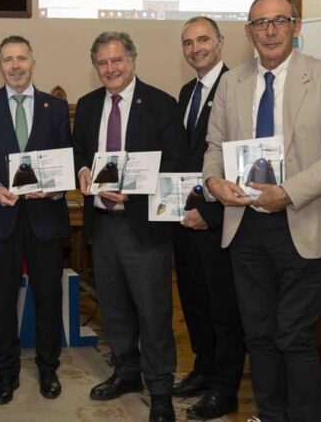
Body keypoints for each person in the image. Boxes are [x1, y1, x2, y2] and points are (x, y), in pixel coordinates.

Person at [203, 0, 321, 422]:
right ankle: (270, 417)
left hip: (303, 221)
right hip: (245, 226)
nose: (270, 31)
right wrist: (214, 181)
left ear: (296, 26)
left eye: (279, 21)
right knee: (259, 335)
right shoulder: (231, 82)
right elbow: (214, 146)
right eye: (260, 23)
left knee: (293, 335)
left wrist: (288, 192)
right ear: (248, 32)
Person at [72, 32, 183, 422]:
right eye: (102, 63)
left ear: (133, 60)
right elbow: (79, 154)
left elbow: (175, 162)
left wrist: (135, 193)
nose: (110, 69)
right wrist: (84, 171)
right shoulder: (86, 106)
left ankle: (160, 388)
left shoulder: (160, 104)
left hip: (143, 225)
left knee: (153, 311)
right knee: (114, 308)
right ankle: (126, 371)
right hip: (102, 225)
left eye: (117, 60)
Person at [0, 35, 72, 405]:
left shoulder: (56, 108)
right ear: (0, 66)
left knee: (47, 296)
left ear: (33, 63)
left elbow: (66, 160)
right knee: (2, 298)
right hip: (0, 215)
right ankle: (7, 372)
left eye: (21, 58)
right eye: (8, 59)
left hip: (45, 217)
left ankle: (48, 369)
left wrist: (56, 188)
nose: (15, 65)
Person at [171, 16, 245, 421]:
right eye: (187, 43)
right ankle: (203, 369)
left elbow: (236, 158)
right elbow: (186, 158)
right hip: (185, 219)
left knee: (223, 308)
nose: (195, 48)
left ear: (220, 42)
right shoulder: (187, 91)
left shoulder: (236, 86)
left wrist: (211, 211)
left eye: (202, 40)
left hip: (218, 220)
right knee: (194, 302)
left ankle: (225, 388)